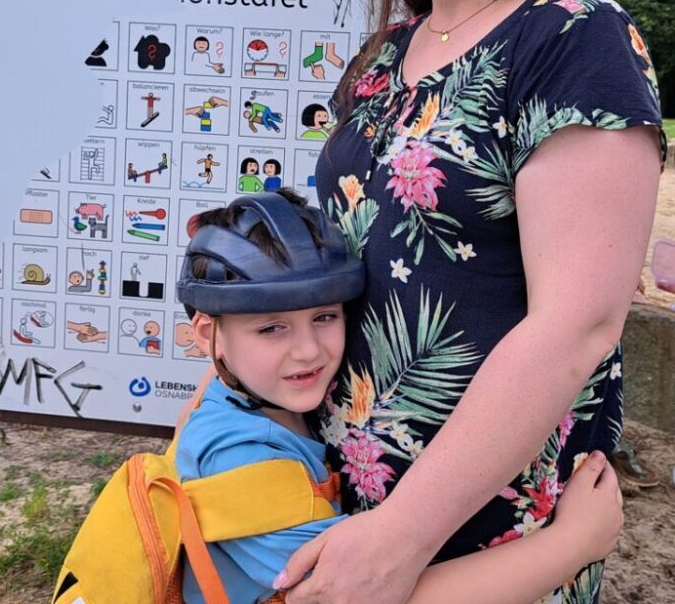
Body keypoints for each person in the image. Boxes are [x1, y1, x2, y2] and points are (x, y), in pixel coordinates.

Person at [281, 0, 664, 604]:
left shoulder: (570, 38)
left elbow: (578, 323)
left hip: (488, 529)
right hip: (334, 500)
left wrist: (399, 536)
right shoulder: (381, 59)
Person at [176, 190, 624, 604]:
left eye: (325, 315)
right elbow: (365, 595)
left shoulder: (245, 403)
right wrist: (575, 543)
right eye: (272, 327)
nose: (308, 350)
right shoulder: (242, 459)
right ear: (206, 333)